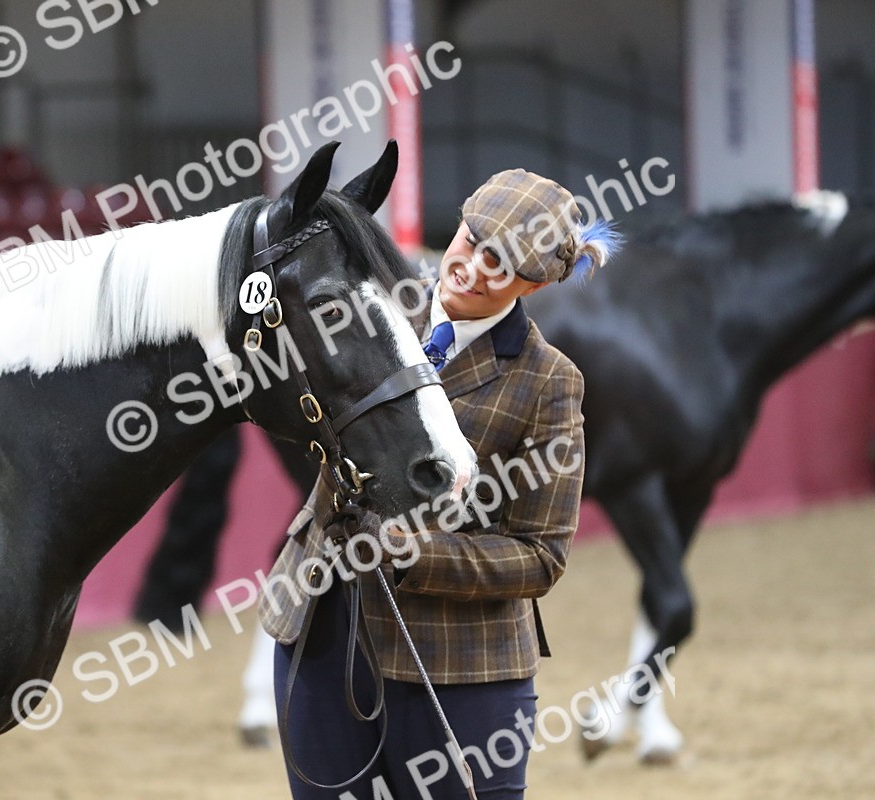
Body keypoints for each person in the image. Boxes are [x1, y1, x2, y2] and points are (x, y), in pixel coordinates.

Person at [258, 168, 619, 800]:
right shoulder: (370, 305)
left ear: (532, 284)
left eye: (501, 265)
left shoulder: (548, 382)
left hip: (461, 669)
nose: (474, 267)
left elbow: (541, 556)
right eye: (472, 241)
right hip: (320, 628)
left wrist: (412, 553)